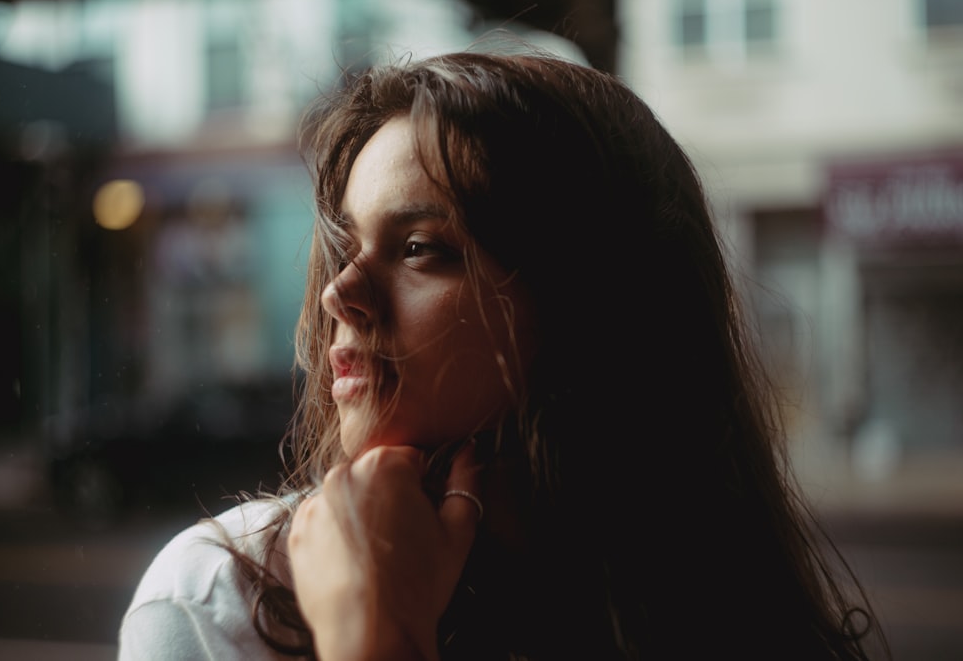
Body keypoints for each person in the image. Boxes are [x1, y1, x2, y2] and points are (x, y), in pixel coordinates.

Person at [118, 48, 887, 661]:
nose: (338, 294)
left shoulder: (723, 611)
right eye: (347, 247)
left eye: (419, 248)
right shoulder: (219, 605)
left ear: (588, 304)